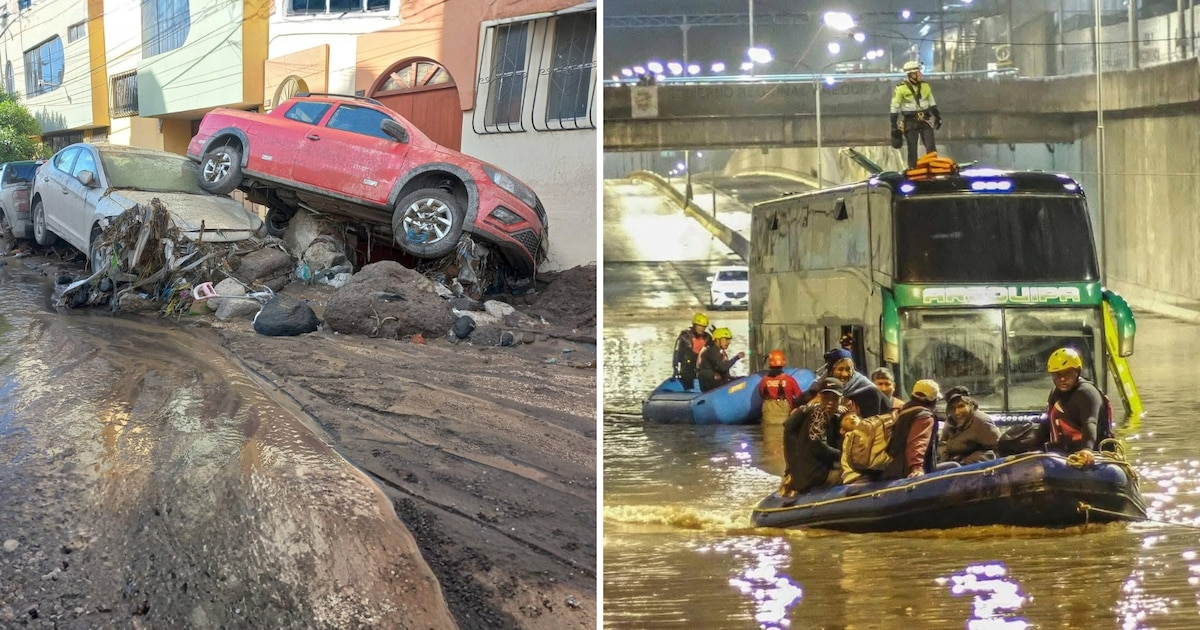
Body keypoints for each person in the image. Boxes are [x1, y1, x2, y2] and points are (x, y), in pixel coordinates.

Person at [780, 377, 848, 495]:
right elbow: (818, 447)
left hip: (805, 473)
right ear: (820, 397)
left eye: (834, 398)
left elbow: (788, 427)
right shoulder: (819, 414)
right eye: (827, 398)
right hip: (813, 477)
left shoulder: (821, 414)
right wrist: (845, 455)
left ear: (841, 400)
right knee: (851, 473)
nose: (830, 402)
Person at [1045, 347, 1111, 455]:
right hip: (1064, 454)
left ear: (1077, 371)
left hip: (1094, 454)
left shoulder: (1087, 393)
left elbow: (1090, 422)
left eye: (1067, 374)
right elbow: (1046, 426)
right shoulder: (1055, 394)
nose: (1062, 379)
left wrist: (1087, 450)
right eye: (1057, 375)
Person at [800, 348, 892, 418]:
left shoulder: (869, 392)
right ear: (831, 371)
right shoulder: (820, 387)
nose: (844, 374)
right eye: (840, 369)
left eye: (848, 369)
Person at [881, 379, 941, 480]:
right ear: (932, 399)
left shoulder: (902, 410)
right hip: (908, 474)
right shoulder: (924, 417)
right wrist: (916, 468)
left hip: (892, 470)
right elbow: (918, 442)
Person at [889, 60, 942, 168]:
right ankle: (912, 169)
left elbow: (932, 103)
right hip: (910, 121)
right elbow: (895, 106)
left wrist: (937, 117)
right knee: (912, 148)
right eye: (917, 73)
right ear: (911, 75)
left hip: (925, 120)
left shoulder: (925, 86)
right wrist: (894, 126)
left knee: (931, 146)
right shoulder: (901, 88)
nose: (920, 75)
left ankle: (933, 167)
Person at [935, 386, 1001, 469]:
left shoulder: (981, 422)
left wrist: (965, 463)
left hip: (974, 471)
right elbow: (942, 445)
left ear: (970, 404)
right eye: (953, 408)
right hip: (952, 468)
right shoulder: (950, 422)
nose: (957, 412)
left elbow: (998, 450)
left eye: (961, 406)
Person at [758, 349, 804, 424]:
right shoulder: (789, 380)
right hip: (784, 419)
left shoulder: (764, 381)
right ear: (783, 363)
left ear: (770, 364)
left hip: (768, 418)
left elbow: (762, 395)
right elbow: (799, 397)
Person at [697, 327, 744, 392]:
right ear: (717, 340)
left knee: (742, 379)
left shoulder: (720, 351)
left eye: (729, 340)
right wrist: (737, 357)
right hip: (710, 384)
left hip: (717, 382)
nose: (728, 342)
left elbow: (725, 372)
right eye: (726, 339)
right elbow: (723, 367)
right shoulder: (712, 351)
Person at [673, 312, 711, 389]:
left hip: (703, 367)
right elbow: (677, 353)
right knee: (687, 376)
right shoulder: (685, 336)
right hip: (687, 366)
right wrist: (675, 368)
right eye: (699, 326)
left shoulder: (708, 337)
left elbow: (714, 352)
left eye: (704, 326)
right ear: (694, 325)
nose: (701, 328)